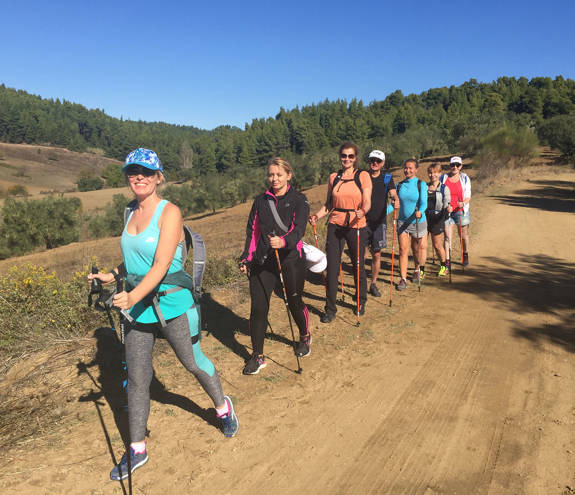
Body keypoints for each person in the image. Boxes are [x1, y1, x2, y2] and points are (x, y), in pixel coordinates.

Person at [88, 148, 238, 481]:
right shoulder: (129, 212)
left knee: (192, 363)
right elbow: (135, 260)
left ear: (158, 177)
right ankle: (137, 449)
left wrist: (130, 296)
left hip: (171, 303)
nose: (137, 177)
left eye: (145, 171)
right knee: (139, 380)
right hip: (139, 308)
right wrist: (112, 276)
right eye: (132, 171)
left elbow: (160, 265)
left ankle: (223, 407)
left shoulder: (169, 213)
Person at [239, 157, 311, 374]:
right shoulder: (260, 201)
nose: (274, 179)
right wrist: (246, 257)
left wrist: (284, 241)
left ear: (289, 175)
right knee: (258, 308)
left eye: (279, 174)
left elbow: (299, 229)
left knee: (294, 301)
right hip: (263, 260)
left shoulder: (299, 199)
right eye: (271, 174)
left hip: (290, 257)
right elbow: (253, 232)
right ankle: (257, 356)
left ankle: (304, 335)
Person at [310, 141, 372, 322]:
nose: (347, 159)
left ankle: (361, 301)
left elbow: (367, 200)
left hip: (356, 224)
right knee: (332, 267)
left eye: (350, 156)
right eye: (344, 156)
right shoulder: (333, 177)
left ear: (356, 158)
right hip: (336, 224)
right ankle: (330, 309)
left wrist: (363, 211)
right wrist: (317, 216)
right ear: (340, 157)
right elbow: (329, 204)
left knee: (357, 264)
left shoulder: (363, 176)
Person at [364, 150, 399, 297]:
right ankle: (360, 285)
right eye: (372, 160)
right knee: (361, 254)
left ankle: (373, 283)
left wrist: (395, 199)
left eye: (378, 161)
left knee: (376, 254)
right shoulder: (363, 176)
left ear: (382, 163)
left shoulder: (387, 177)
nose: (375, 163)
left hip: (379, 222)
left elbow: (393, 192)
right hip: (362, 221)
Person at [396, 158, 428, 291]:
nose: (407, 170)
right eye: (405, 167)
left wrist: (420, 211)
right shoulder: (400, 185)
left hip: (417, 221)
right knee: (403, 250)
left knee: (416, 249)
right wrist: (384, 212)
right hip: (403, 222)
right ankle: (403, 279)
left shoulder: (421, 184)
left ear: (416, 169)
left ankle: (416, 269)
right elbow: (395, 205)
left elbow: (423, 202)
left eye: (410, 168)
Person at [441, 156, 471, 268]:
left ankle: (465, 254)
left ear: (461, 166)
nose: (455, 167)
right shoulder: (443, 178)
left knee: (463, 235)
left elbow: (468, 195)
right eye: (452, 165)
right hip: (447, 211)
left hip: (460, 211)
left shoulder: (465, 178)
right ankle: (447, 260)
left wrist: (462, 203)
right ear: (450, 166)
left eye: (457, 165)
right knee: (447, 237)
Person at [425, 163, 450, 276]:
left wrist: (449, 208)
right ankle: (420, 269)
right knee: (422, 245)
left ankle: (444, 266)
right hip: (425, 219)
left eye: (435, 172)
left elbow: (447, 204)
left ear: (440, 173)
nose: (432, 175)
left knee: (437, 245)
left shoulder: (444, 188)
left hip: (438, 218)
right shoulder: (424, 187)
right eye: (430, 172)